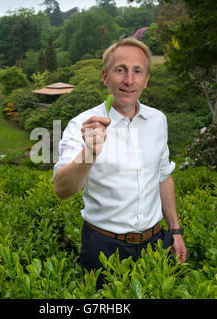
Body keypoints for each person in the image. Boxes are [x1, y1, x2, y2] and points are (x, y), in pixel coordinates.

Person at [53, 37, 187, 289]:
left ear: (146, 80)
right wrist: (89, 153)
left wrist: (176, 231)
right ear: (105, 77)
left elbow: (163, 175)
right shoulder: (82, 124)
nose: (129, 80)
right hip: (103, 247)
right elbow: (62, 189)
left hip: (155, 243)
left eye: (137, 71)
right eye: (120, 70)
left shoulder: (158, 120)